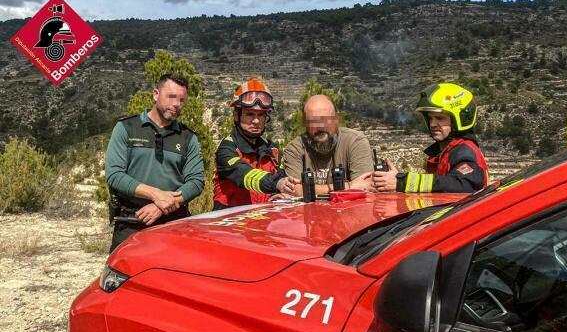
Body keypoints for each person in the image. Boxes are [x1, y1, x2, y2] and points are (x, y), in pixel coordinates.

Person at [105, 73, 205, 252]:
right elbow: (115, 175)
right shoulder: (126, 128)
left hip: (174, 222)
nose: (176, 104)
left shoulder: (188, 137)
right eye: (171, 97)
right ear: (155, 94)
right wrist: (156, 194)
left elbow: (196, 182)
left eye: (182, 100)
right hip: (132, 220)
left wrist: (162, 206)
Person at [373, 83, 488, 193]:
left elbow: (465, 184)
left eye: (439, 118)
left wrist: (402, 182)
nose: (433, 124)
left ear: (459, 119)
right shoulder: (446, 151)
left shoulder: (464, 151)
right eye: (430, 118)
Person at [213, 78, 298, 209]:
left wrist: (282, 193)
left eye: (261, 115)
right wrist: (277, 183)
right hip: (230, 226)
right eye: (250, 114)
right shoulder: (227, 148)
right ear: (236, 115)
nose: (256, 121)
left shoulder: (273, 150)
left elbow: (281, 180)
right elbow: (245, 174)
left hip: (263, 224)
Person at [283, 94, 374, 195]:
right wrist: (348, 186)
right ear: (305, 124)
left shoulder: (355, 141)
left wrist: (307, 190)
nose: (320, 126)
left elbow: (365, 188)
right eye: (313, 121)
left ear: (336, 119)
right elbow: (293, 191)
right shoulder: (295, 149)